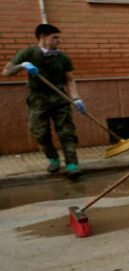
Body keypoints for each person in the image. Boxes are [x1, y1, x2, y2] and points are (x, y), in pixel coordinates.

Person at [3, 24, 85, 178]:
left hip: (60, 97)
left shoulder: (62, 57)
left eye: (58, 37)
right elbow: (6, 72)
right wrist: (22, 65)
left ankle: (72, 164)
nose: (58, 41)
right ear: (42, 37)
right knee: (40, 132)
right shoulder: (28, 53)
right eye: (55, 37)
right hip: (38, 98)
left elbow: (70, 80)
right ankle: (53, 159)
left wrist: (76, 98)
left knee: (67, 131)